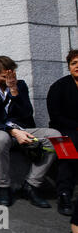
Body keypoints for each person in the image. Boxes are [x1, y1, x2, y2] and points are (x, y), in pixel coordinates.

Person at [0, 56, 61, 208]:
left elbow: (27, 113)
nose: (8, 79)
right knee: (1, 139)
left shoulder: (19, 85)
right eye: (4, 76)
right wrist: (14, 132)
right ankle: (3, 187)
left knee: (55, 135)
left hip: (24, 128)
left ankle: (31, 185)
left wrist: (14, 91)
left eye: (11, 74)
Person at [47, 49, 78, 216]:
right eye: (74, 63)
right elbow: (55, 115)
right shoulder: (58, 87)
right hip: (63, 129)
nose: (77, 66)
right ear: (68, 67)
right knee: (68, 148)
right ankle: (64, 194)